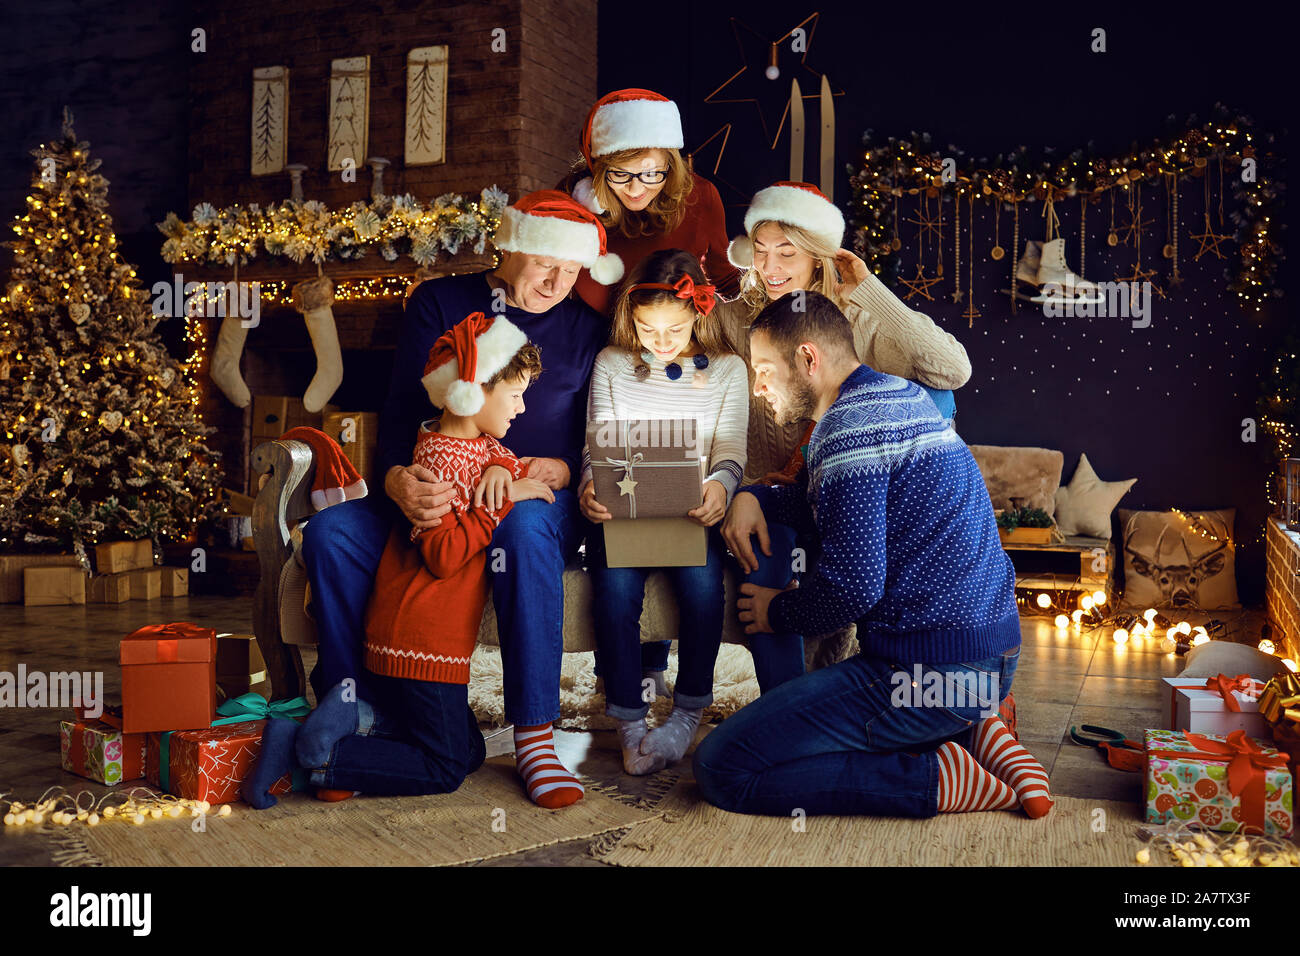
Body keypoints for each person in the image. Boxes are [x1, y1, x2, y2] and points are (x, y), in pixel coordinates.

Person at [299, 191, 616, 809]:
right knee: (330, 533)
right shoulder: (439, 302)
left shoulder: (587, 329)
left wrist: (567, 467)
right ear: (509, 244)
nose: (558, 282)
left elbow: (602, 432)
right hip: (439, 485)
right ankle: (349, 709)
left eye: (574, 270)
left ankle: (534, 735)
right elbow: (397, 417)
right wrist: (394, 479)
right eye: (546, 263)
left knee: (524, 528)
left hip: (532, 494)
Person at [693, 290, 1052, 820]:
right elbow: (832, 506)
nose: (758, 387)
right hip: (988, 657)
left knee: (722, 766)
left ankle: (934, 777)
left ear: (808, 359)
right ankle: (978, 727)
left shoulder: (847, 431)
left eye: (765, 369)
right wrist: (756, 493)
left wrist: (776, 611)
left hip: (926, 672)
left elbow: (853, 587)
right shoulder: (898, 397)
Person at [244, 312, 554, 807]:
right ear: (473, 393)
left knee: (470, 749)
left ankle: (356, 718)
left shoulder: (466, 443)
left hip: (427, 643)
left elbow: (497, 456)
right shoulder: (436, 469)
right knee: (447, 766)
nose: (521, 407)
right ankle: (313, 757)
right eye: (514, 394)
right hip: (421, 643)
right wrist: (502, 500)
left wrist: (501, 467)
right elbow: (445, 555)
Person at [712, 181, 976, 691]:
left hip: (846, 477)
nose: (770, 267)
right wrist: (742, 489)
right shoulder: (735, 317)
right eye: (761, 252)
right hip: (777, 489)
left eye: (787, 253)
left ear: (816, 257)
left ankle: (835, 684)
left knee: (936, 399)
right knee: (763, 550)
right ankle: (783, 706)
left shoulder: (854, 323)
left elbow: (952, 370)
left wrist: (868, 289)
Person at [563, 88, 742, 689]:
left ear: (671, 164)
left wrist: (704, 327)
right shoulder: (580, 204)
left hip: (681, 315)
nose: (638, 185)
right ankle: (631, 680)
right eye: (622, 173)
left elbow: (722, 273)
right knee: (620, 494)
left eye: (652, 172)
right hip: (605, 334)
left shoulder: (700, 200)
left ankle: (662, 668)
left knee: (683, 533)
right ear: (597, 168)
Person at [578, 249, 748, 775]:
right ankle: (629, 720)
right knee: (612, 593)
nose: (661, 342)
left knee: (702, 595)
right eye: (648, 329)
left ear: (700, 311)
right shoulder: (611, 363)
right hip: (625, 510)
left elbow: (732, 453)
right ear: (630, 317)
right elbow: (594, 445)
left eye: (674, 328)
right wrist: (589, 484)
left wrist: (720, 488)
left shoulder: (727, 369)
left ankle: (688, 711)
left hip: (691, 512)